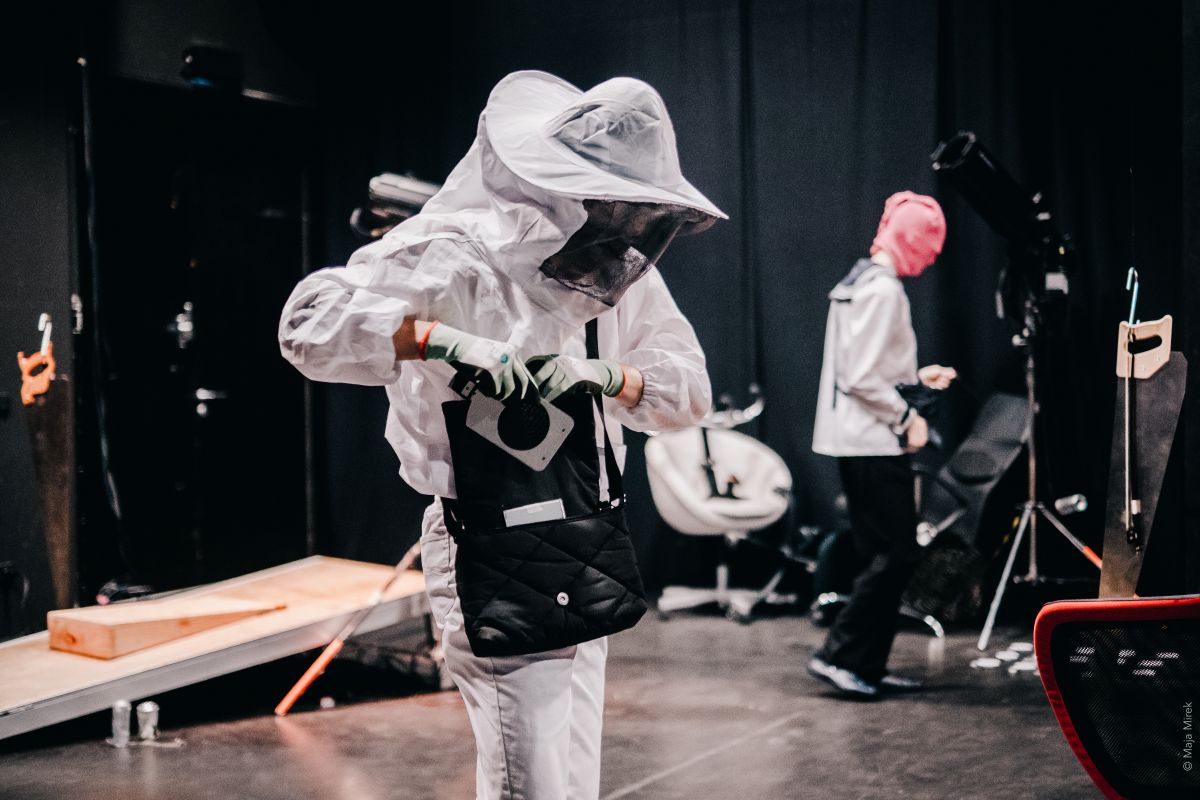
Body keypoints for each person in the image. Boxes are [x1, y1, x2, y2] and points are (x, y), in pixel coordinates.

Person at [278, 70, 723, 799]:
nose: (617, 218)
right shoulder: (454, 247)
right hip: (489, 537)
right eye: (606, 196)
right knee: (532, 783)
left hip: (587, 532)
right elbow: (307, 328)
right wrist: (440, 341)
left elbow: (687, 392)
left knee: (572, 778)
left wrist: (607, 379)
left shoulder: (618, 268)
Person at [808, 191, 955, 699]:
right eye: (930, 245)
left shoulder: (859, 281)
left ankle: (863, 666)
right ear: (915, 239)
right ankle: (839, 655)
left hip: (854, 439)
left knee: (880, 554)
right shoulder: (883, 290)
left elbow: (864, 370)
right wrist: (909, 416)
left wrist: (913, 378)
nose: (933, 257)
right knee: (897, 555)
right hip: (873, 442)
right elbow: (861, 378)